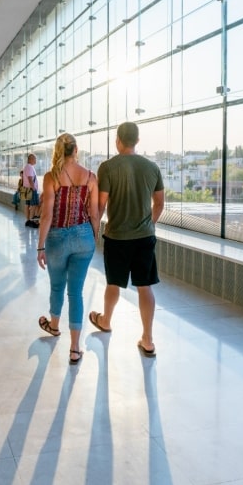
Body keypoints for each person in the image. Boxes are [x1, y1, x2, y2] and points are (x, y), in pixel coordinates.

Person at [88, 122, 164, 358]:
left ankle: (106, 321)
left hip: (117, 236)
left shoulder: (108, 167)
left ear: (118, 140)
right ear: (137, 141)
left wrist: (93, 230)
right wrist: (149, 224)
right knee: (145, 286)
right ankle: (148, 339)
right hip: (144, 237)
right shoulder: (152, 167)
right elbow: (160, 203)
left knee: (113, 283)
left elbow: (100, 205)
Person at [36, 134, 100, 365]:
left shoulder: (51, 177)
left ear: (58, 150)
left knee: (56, 286)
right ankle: (74, 348)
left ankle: (54, 326)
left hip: (57, 236)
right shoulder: (90, 177)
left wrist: (40, 246)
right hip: (83, 237)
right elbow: (94, 214)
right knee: (76, 292)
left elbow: (47, 215)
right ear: (76, 150)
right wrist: (94, 236)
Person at [22, 153, 40, 227]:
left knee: (27, 205)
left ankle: (28, 220)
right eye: (34, 159)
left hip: (27, 189)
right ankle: (31, 220)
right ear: (30, 159)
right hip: (31, 189)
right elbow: (30, 179)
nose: (35, 160)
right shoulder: (29, 167)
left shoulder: (27, 167)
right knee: (33, 205)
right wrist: (34, 188)